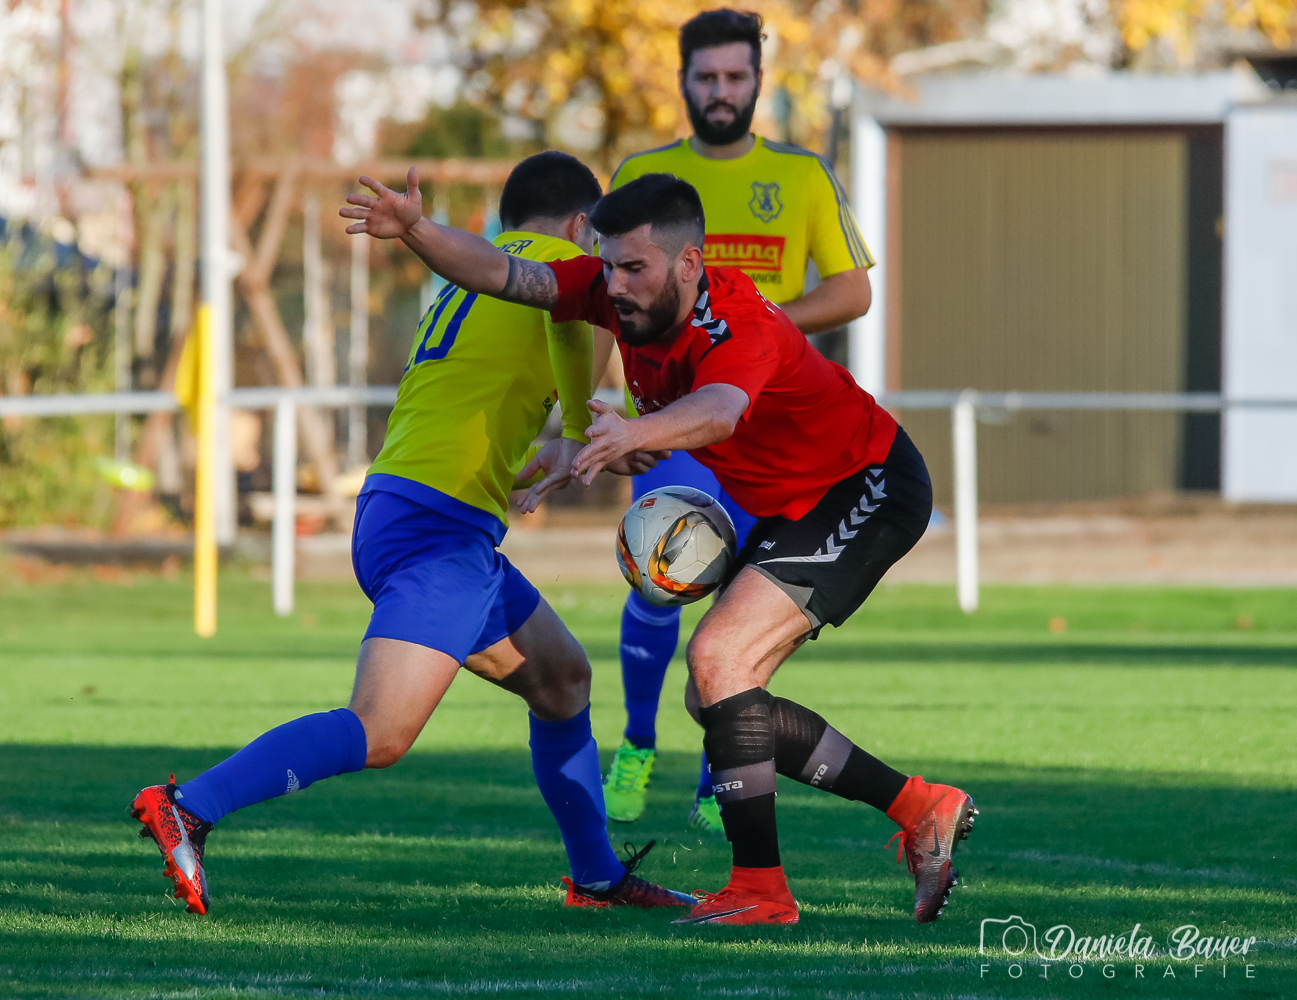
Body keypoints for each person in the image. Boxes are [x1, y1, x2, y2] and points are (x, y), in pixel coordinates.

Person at [340, 168, 977, 927]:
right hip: (791, 502)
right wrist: (415, 230)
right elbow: (505, 273)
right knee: (716, 695)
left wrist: (635, 432)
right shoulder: (615, 291)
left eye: (633, 268)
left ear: (688, 265)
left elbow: (719, 410)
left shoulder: (735, 321)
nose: (614, 286)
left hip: (866, 485)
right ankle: (920, 806)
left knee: (719, 662)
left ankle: (762, 893)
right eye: (606, 264)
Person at [131, 151, 693, 916]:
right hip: (438, 523)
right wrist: (620, 421)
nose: (610, 271)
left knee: (562, 681)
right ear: (578, 226)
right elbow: (589, 343)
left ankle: (596, 877)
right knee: (383, 730)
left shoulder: (484, 272)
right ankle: (189, 805)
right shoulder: (572, 268)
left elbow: (540, 367)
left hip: (410, 506)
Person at [594, 8, 876, 834]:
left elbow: (854, 290)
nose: (721, 92)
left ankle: (720, 772)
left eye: (736, 77)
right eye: (706, 77)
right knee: (656, 570)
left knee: (734, 624)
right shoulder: (646, 176)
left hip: (770, 431)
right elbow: (606, 295)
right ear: (681, 81)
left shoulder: (801, 175)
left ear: (759, 80)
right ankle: (639, 741)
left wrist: (757, 335)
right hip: (687, 426)